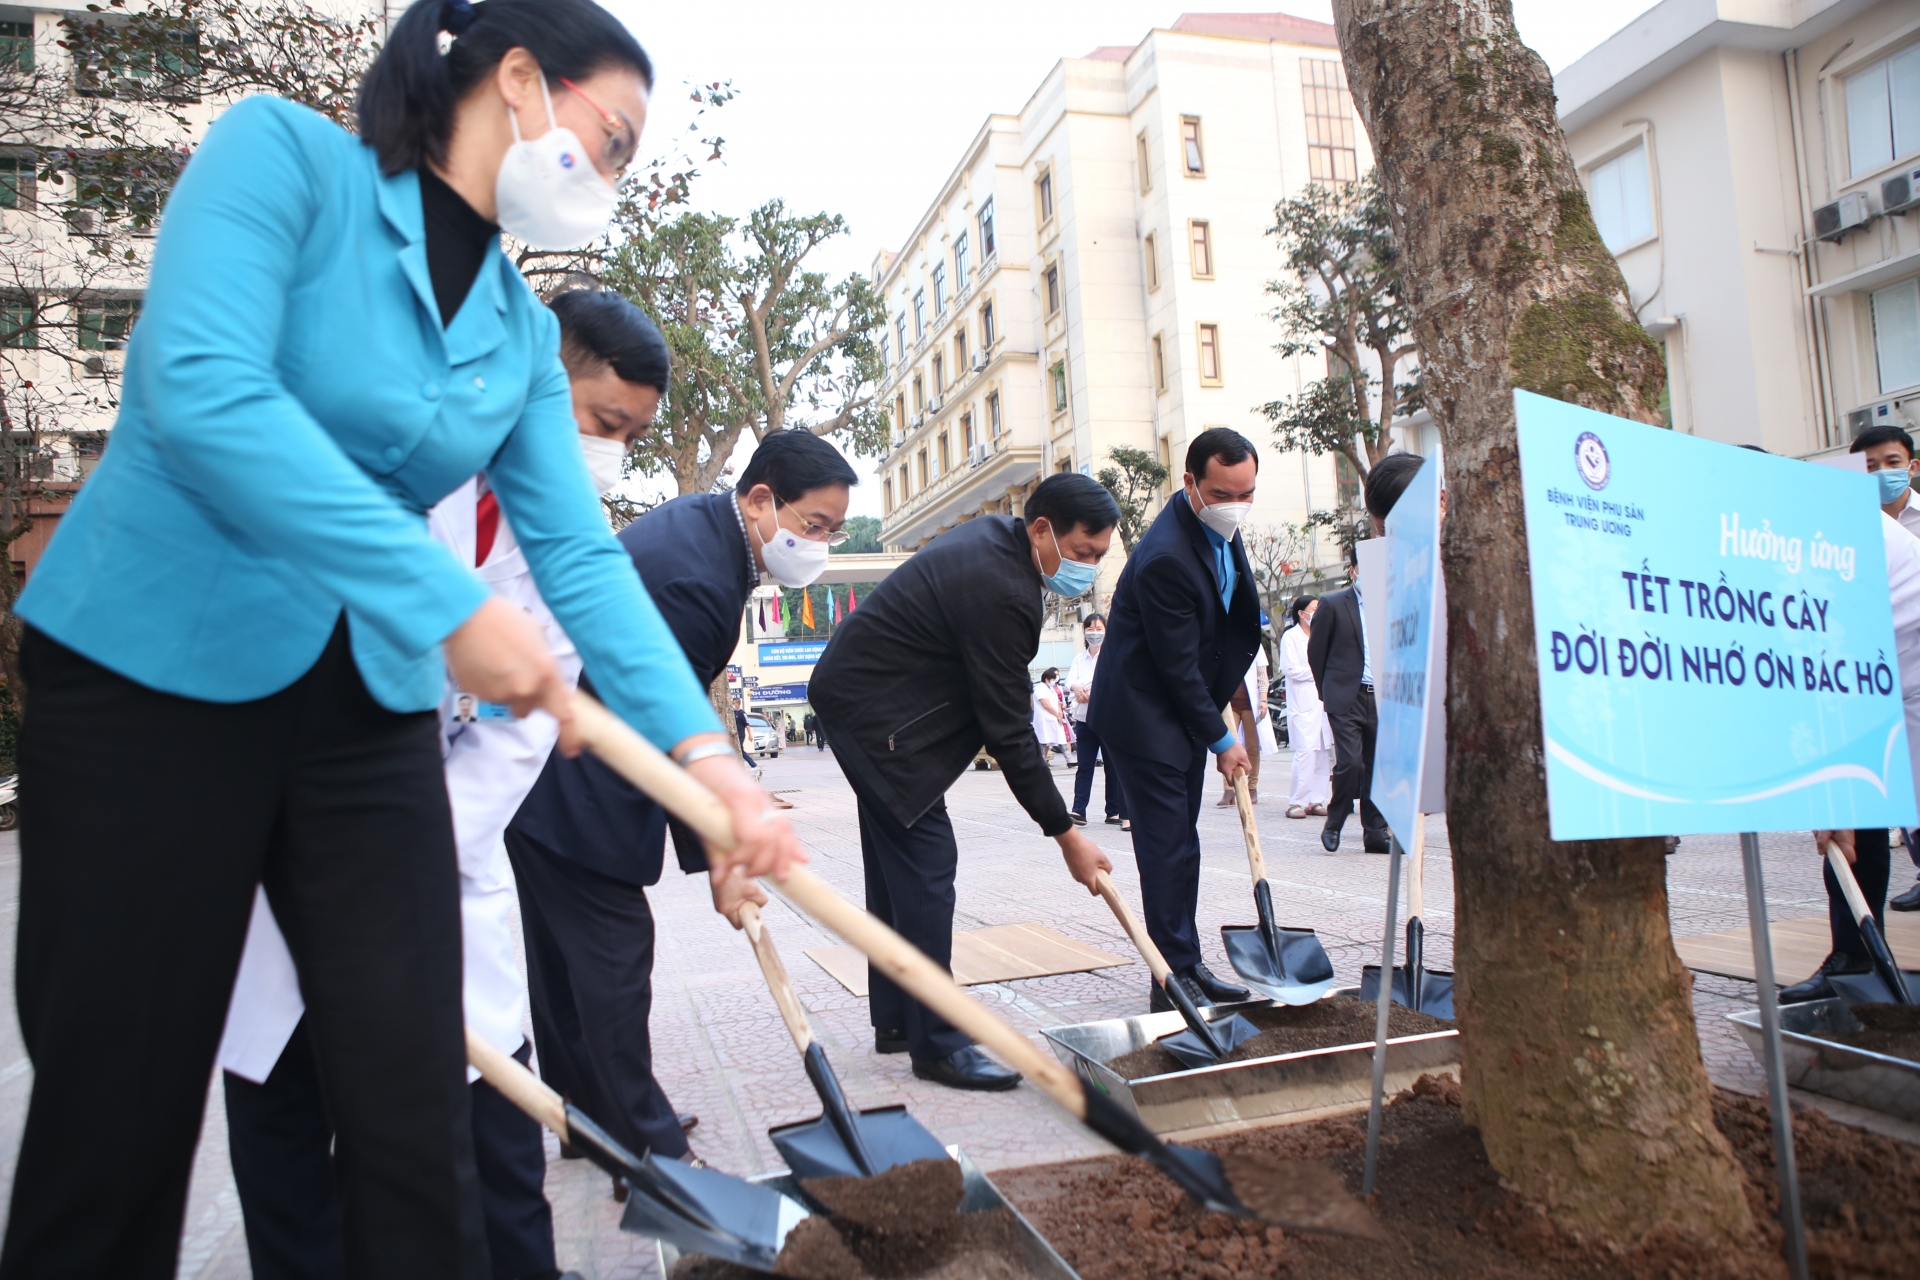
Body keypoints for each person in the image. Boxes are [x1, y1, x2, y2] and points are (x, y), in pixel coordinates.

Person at [0, 2, 802, 1274]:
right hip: (154, 673)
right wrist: (446, 605)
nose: (614, 175)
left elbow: (581, 557)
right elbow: (203, 387)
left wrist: (707, 760)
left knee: (414, 1096)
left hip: (360, 712)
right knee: (121, 1105)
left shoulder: (515, 333)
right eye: (616, 136)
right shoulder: (284, 160)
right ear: (522, 79)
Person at [215, 287, 676, 1280]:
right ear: (529, 367)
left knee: (496, 1148)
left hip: (440, 864)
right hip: (292, 851)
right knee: (292, 1139)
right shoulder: (371, 448)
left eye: (630, 437)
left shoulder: (560, 537)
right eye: (602, 423)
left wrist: (410, 849)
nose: (608, 455)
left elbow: (523, 724)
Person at [504, 429, 854, 1160]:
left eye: (832, 531)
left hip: (549, 770)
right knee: (613, 959)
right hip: (576, 779)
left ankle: (588, 1123)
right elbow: (670, 725)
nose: (819, 544)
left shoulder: (708, 530)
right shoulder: (697, 576)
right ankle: (650, 1152)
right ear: (762, 500)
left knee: (567, 967)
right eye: (813, 525)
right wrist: (722, 856)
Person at [810, 473, 1118, 1088]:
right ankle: (939, 1043)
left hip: (863, 699)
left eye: (1099, 559)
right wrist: (1066, 833)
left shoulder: (996, 542)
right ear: (1041, 530)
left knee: (895, 870)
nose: (1088, 569)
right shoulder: (1003, 587)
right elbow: (1009, 730)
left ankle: (899, 1019)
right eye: (1082, 554)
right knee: (926, 865)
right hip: (874, 716)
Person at [1090, 428, 1263, 1011]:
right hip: (1144, 715)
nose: (1236, 505)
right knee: (1167, 848)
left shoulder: (1218, 529)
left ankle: (1184, 964)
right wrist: (1223, 738)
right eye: (1223, 493)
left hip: (1178, 711)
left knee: (1181, 844)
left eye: (1247, 493)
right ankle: (1172, 983)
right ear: (1190, 483)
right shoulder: (1166, 555)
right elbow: (1175, 666)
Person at [1782, 497, 1920, 1001]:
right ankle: (1854, 961)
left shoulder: (1821, 530)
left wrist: (1833, 788)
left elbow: (1827, 658)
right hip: (1878, 677)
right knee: (1858, 816)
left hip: (1901, 671)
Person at [1309, 453, 1425, 855]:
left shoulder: (1395, 598)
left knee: (1378, 766)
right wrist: (1329, 691)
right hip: (1347, 694)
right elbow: (1316, 652)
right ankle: (1336, 820)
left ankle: (1375, 832)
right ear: (1355, 569)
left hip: (1384, 694)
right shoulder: (1334, 604)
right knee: (1351, 764)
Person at [1068, 614, 1128, 829]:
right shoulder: (1079, 658)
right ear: (1084, 631)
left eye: (1099, 627)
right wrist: (1077, 688)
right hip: (1084, 719)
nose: (1094, 631)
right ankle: (1078, 810)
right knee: (1084, 765)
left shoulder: (1111, 655)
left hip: (1107, 719)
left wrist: (1086, 689)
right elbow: (1070, 681)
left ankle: (1113, 811)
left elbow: (1112, 682)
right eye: (1090, 628)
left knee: (1112, 767)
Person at [1279, 595, 1333, 820]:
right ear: (1301, 613)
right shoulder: (1291, 637)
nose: (1317, 613)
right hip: (1303, 705)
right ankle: (1296, 802)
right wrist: (1319, 671)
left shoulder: (1323, 636)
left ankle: (1316, 800)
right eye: (1313, 609)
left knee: (1322, 753)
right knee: (1305, 754)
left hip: (1322, 704)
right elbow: (1291, 670)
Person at [1855, 423, 1920, 539]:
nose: (1882, 471)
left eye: (1893, 462)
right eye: (1870, 466)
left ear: (1913, 467)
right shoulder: (1854, 521)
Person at [1032, 666, 1070, 765]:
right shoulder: (1040, 688)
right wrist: (1057, 715)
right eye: (1053, 679)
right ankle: (1040, 762)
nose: (1055, 681)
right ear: (1047, 679)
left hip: (1054, 718)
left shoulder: (1051, 689)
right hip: (1045, 719)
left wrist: (1059, 713)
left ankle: (1069, 760)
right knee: (1043, 741)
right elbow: (1046, 704)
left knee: (1061, 739)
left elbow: (1057, 702)